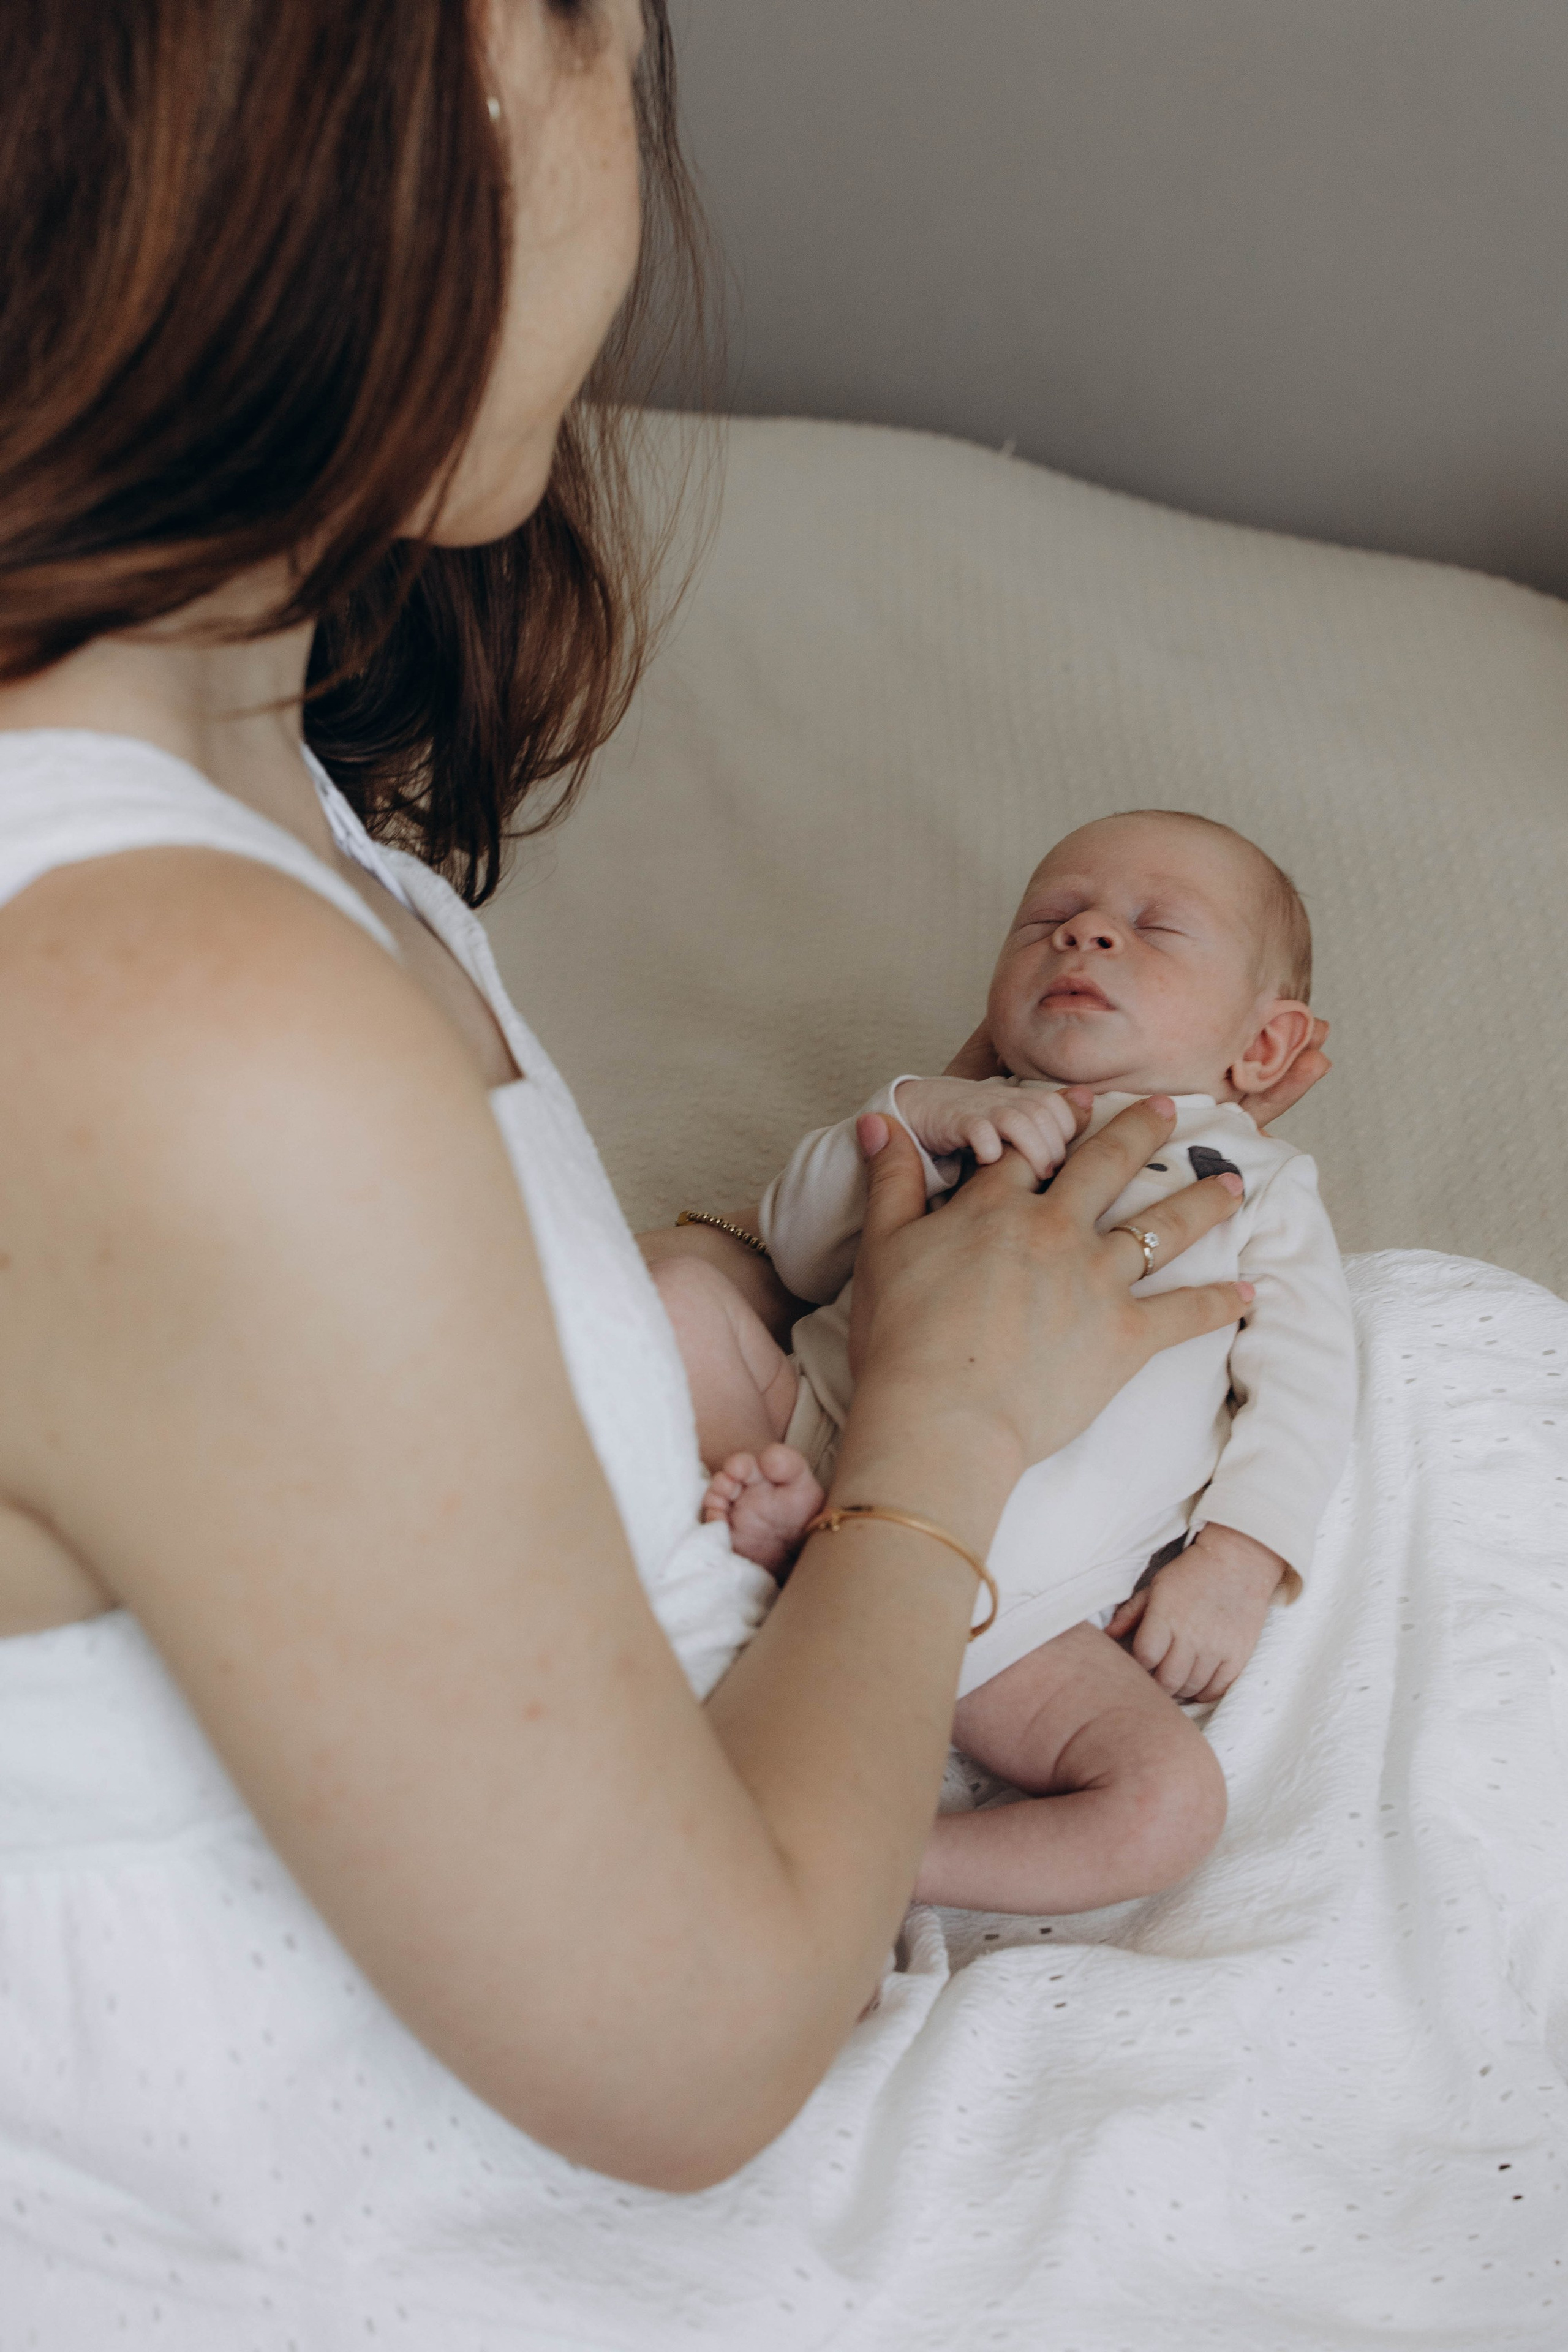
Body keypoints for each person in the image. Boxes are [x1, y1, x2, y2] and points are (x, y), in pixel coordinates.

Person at [0, 1, 1325, 2332]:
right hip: (439, 2163)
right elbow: (691, 2055)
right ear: (484, 73)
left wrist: (696, 1279)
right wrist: (936, 1428)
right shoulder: (176, 1014)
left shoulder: (244, 762)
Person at [657, 809, 1355, 1916]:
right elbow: (794, 1246)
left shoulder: (1254, 1184)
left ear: (1264, 1045)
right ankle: (780, 1506)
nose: (1083, 936)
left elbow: (1311, 1378)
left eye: (1155, 928)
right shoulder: (956, 1117)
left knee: (1166, 1807)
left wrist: (1237, 1558)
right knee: (680, 1300)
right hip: (819, 1438)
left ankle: (887, 1862)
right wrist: (908, 1115)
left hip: (1017, 1604)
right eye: (1049, 919)